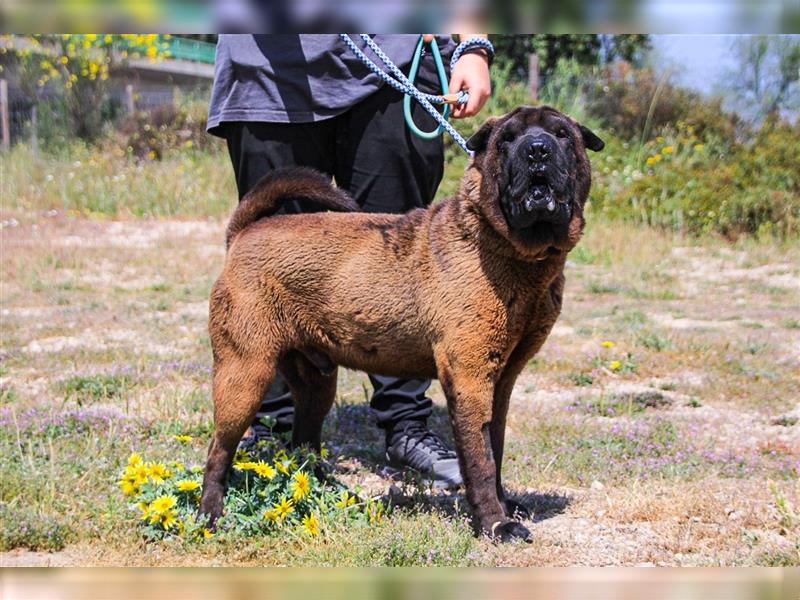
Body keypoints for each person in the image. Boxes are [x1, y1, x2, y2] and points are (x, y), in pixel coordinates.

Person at [207, 34, 492, 488]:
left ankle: (407, 425)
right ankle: (274, 433)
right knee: (272, 275)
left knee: (405, 269)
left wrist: (474, 46)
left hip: (392, 63)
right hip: (268, 75)